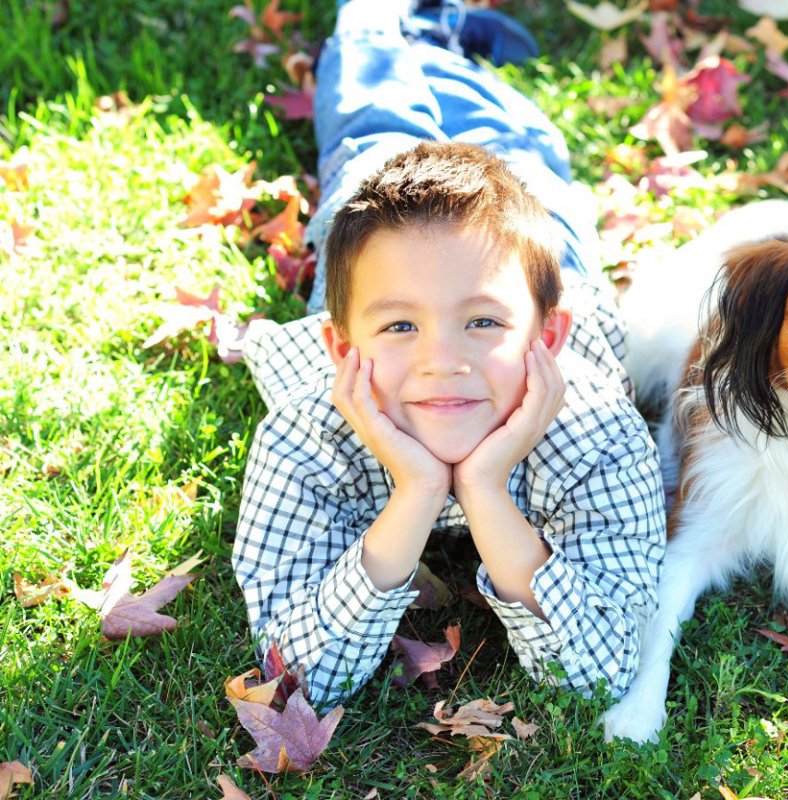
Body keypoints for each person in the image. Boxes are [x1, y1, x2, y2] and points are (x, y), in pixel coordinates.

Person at [232, 0, 666, 709]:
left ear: (545, 338)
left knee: (508, 144)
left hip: (529, 244)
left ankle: (420, 35)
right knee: (373, 132)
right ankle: (390, 23)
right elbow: (302, 674)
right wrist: (417, 493)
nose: (442, 360)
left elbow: (603, 670)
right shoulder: (306, 439)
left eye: (482, 325)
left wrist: (487, 489)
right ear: (343, 347)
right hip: (387, 242)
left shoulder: (597, 433)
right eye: (402, 329)